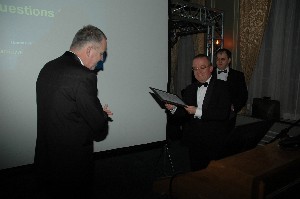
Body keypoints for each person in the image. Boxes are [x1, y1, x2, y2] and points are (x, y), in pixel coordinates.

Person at [34, 25, 113, 197]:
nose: (100, 60)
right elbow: (98, 125)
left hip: (46, 160)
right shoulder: (84, 76)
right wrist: (103, 115)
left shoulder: (47, 67)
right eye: (101, 54)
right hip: (71, 166)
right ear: (90, 50)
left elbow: (64, 110)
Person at [165, 54, 231, 171]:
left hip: (214, 140)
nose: (198, 71)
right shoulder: (189, 89)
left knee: (214, 174)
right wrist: (173, 108)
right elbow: (185, 113)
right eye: (195, 68)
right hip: (194, 140)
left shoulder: (223, 87)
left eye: (202, 67)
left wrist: (197, 111)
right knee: (196, 172)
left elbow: (223, 114)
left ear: (211, 69)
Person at [214, 48, 248, 130]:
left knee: (227, 138)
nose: (219, 61)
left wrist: (234, 107)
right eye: (218, 59)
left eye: (222, 59)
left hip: (229, 115)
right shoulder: (208, 74)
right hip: (211, 113)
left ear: (229, 60)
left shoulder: (238, 75)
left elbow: (243, 95)